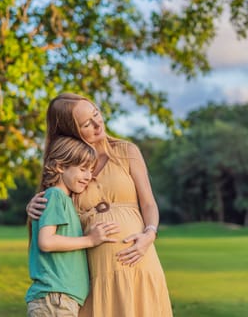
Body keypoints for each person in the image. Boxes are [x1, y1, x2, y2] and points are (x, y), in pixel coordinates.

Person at [26, 93, 173, 317]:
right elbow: (55, 216)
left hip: (138, 260)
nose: (98, 124)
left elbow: (149, 203)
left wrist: (149, 235)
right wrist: (35, 206)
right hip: (96, 270)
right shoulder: (68, 167)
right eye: (87, 124)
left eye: (96, 114)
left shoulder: (127, 151)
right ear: (72, 131)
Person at [26, 136, 120, 317]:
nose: (88, 176)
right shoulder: (55, 196)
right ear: (61, 167)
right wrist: (90, 240)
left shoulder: (65, 201)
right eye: (83, 169)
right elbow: (47, 242)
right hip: (54, 299)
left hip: (61, 299)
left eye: (91, 170)